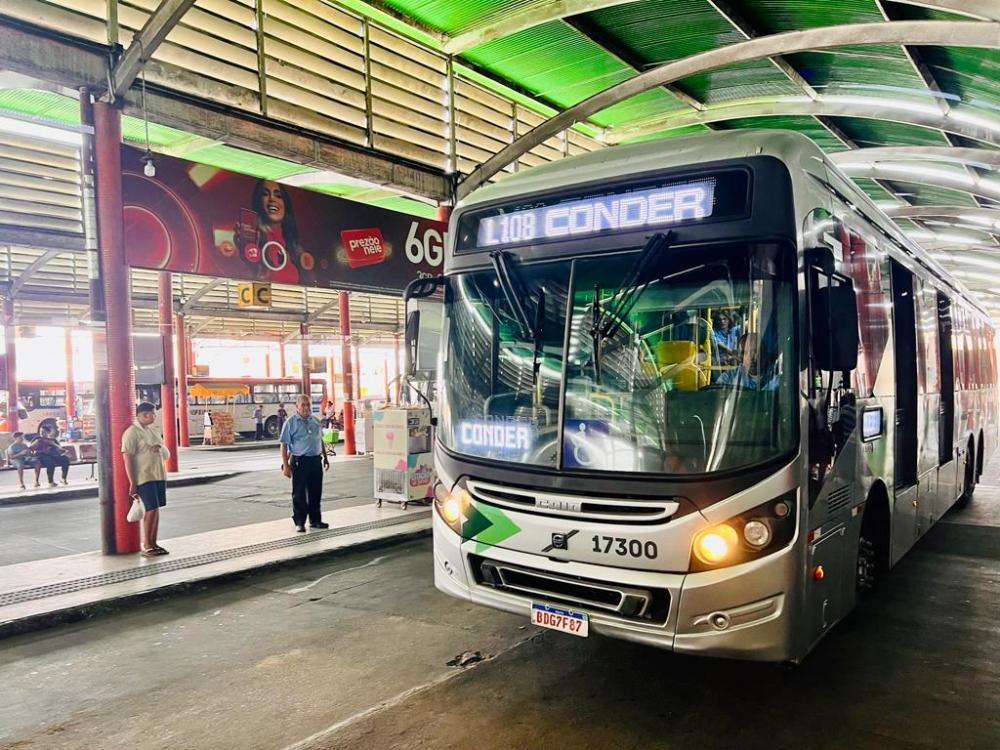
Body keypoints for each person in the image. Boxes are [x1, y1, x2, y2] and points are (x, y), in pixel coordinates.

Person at [238, 180, 311, 285]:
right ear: (258, 201)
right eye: (265, 194)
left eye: (278, 195)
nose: (272, 199)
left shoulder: (293, 244)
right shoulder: (254, 239)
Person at [122, 402, 171, 557]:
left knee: (156, 509)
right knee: (150, 509)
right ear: (141, 415)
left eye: (154, 414)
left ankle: (154, 542)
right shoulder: (132, 432)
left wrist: (159, 448)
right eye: (150, 414)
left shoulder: (153, 431)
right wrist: (132, 482)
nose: (153, 417)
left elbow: (166, 453)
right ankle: (147, 544)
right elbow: (127, 457)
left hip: (158, 474)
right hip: (143, 476)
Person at [279, 393, 330, 533]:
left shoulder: (315, 421)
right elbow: (284, 445)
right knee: (299, 493)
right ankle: (300, 522)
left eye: (308, 404)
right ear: (297, 407)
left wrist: (325, 458)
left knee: (315, 492)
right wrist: (286, 465)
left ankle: (315, 520)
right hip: (299, 461)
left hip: (315, 460)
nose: (306, 407)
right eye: (303, 405)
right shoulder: (290, 423)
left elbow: (320, 440)